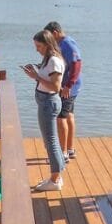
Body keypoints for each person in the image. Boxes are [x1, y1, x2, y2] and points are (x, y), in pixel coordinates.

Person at [21, 30, 66, 191]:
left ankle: (54, 179)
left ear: (47, 45)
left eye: (39, 46)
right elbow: (48, 78)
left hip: (48, 102)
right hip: (45, 102)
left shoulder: (53, 60)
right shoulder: (49, 59)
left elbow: (56, 86)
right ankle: (57, 176)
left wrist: (36, 77)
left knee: (51, 142)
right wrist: (36, 71)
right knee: (51, 141)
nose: (37, 49)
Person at [44, 21, 83, 161]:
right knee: (69, 115)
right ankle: (70, 149)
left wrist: (68, 85)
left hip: (68, 87)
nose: (49, 41)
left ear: (55, 33)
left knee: (61, 118)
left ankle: (62, 152)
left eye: (49, 37)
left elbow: (77, 64)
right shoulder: (64, 43)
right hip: (70, 86)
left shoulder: (67, 44)